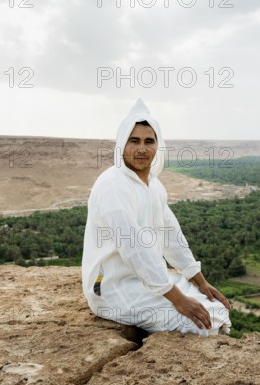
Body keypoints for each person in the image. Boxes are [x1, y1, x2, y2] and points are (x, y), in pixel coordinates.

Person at [81, 99, 231, 336]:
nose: (142, 148)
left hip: (147, 283)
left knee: (214, 307)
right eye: (134, 141)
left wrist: (200, 281)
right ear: (122, 144)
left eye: (149, 141)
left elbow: (171, 235)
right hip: (113, 289)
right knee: (202, 325)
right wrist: (177, 299)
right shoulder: (112, 185)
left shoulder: (154, 186)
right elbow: (134, 248)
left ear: (157, 146)